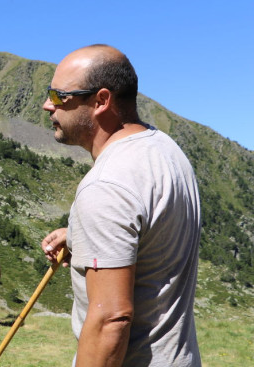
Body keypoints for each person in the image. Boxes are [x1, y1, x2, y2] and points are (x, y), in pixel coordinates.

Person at [40, 44, 201, 367]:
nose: (47, 106)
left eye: (60, 96)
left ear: (101, 101)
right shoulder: (164, 151)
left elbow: (110, 320)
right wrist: (79, 236)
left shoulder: (106, 186)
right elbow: (149, 232)